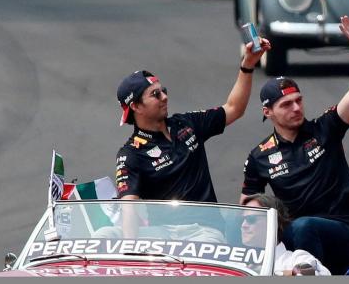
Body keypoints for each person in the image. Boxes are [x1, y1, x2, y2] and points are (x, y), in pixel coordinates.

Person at [241, 16, 349, 275]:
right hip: (293, 237)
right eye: (287, 104)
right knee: (286, 236)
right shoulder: (259, 156)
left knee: (303, 226)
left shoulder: (326, 128)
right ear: (268, 112)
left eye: (299, 100)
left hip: (343, 232)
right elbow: (248, 209)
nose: (297, 108)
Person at [112, 39, 271, 238]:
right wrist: (130, 250)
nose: (164, 97)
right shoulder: (130, 153)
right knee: (105, 233)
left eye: (164, 91)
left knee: (208, 239)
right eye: (155, 94)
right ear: (135, 106)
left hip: (203, 230)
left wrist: (247, 66)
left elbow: (233, 108)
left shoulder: (187, 124)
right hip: (162, 234)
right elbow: (129, 207)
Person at [241, 194, 331, 276]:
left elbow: (317, 273)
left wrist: (271, 273)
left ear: (273, 222)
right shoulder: (234, 262)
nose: (243, 225)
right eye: (242, 220)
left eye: (251, 219)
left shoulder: (296, 259)